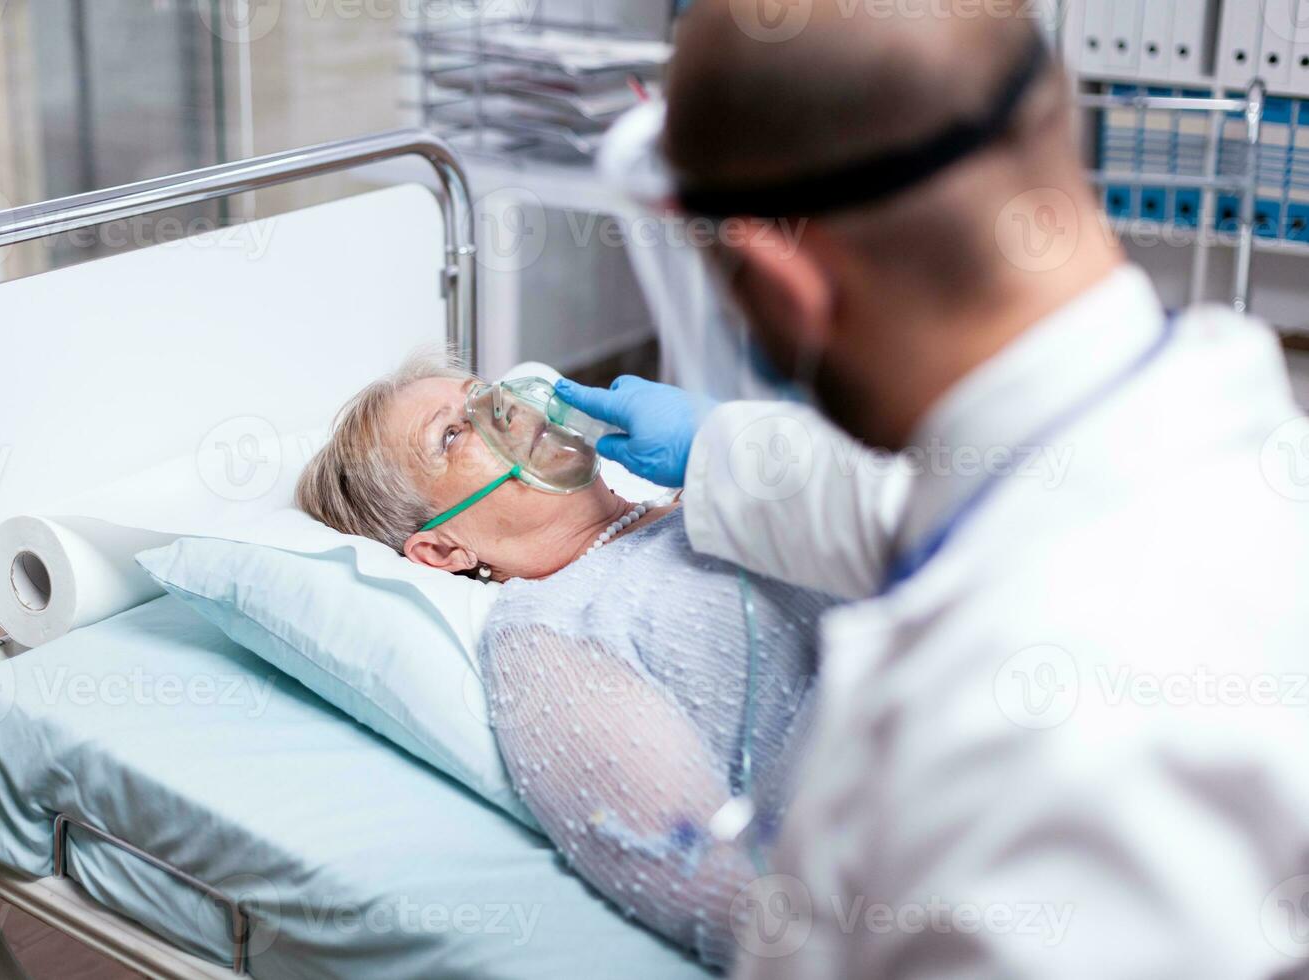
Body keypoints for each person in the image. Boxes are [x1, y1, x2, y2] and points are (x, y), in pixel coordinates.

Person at [554, 1, 1309, 977]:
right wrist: (717, 449)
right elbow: (918, 509)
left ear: (785, 280)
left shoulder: (1041, 755)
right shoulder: (1190, 446)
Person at [295, 351, 841, 966]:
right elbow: (728, 900)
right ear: (442, 550)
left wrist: (738, 451)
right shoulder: (551, 634)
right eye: (451, 434)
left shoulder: (709, 488)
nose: (502, 411)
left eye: (490, 393)